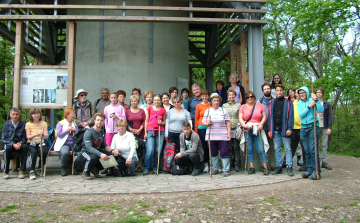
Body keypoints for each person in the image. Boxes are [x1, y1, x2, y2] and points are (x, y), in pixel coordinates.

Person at [74, 113, 115, 180]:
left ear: (104, 122)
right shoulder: (89, 132)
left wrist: (112, 150)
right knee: (94, 157)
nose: (99, 122)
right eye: (98, 120)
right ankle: (86, 171)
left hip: (96, 153)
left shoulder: (101, 132)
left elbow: (104, 145)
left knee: (110, 155)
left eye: (101, 120)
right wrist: (101, 154)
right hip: (85, 153)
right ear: (94, 121)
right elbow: (89, 147)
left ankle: (95, 169)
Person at [239, 91, 269, 175]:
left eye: (251, 97)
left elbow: (264, 116)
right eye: (248, 97)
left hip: (257, 128)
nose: (250, 98)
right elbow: (240, 118)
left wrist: (261, 124)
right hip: (248, 129)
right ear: (246, 99)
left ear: (254, 97)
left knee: (261, 148)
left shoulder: (259, 106)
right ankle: (251, 167)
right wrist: (244, 125)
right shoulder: (243, 107)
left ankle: (265, 167)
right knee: (249, 149)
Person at [297, 86, 324, 180]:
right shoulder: (299, 103)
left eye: (303, 93)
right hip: (304, 128)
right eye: (300, 93)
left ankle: (316, 171)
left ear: (307, 93)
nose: (302, 95)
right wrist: (309, 106)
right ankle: (309, 170)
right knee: (307, 150)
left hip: (313, 127)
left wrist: (316, 100)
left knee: (313, 150)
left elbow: (321, 110)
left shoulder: (312, 100)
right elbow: (301, 114)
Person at [202, 93, 231, 177]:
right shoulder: (208, 111)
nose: (216, 102)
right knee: (213, 152)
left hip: (222, 135)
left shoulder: (223, 110)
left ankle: (225, 169)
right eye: (214, 101)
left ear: (220, 102)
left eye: (217, 101)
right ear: (211, 102)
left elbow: (228, 122)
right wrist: (207, 123)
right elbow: (203, 122)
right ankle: (215, 168)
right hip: (211, 135)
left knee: (224, 152)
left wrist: (228, 133)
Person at [268, 84, 294, 176]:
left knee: (288, 149)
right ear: (275, 91)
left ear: (283, 91)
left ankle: (289, 166)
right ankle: (278, 166)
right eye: (277, 90)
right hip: (275, 129)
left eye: (281, 90)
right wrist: (270, 129)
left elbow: (291, 116)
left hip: (285, 129)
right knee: (277, 148)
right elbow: (270, 117)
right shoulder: (272, 102)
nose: (279, 92)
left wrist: (290, 128)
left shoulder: (288, 102)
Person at [1, 108, 28, 179]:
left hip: (20, 144)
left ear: (19, 115)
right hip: (10, 144)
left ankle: (22, 170)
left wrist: (20, 143)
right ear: (10, 115)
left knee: (25, 147)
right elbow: (4, 139)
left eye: (16, 114)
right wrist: (12, 144)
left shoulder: (23, 124)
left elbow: (25, 137)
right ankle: (6, 171)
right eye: (13, 114)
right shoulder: (6, 124)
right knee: (7, 149)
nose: (15, 116)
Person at [143, 94, 166, 175]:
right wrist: (145, 132)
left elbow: (164, 122)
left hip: (160, 131)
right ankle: (146, 168)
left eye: (158, 100)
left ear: (161, 101)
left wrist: (162, 122)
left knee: (158, 151)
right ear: (153, 100)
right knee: (150, 150)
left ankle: (156, 167)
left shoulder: (163, 110)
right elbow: (146, 121)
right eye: (155, 100)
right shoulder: (149, 109)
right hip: (150, 130)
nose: (156, 101)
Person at [25, 108, 49, 180]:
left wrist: (43, 134)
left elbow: (46, 135)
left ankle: (40, 167)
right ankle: (32, 170)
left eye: (38, 113)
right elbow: (28, 137)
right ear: (31, 115)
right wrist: (36, 134)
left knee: (44, 151)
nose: (36, 115)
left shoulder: (43, 123)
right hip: (31, 143)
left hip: (40, 142)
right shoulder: (28, 124)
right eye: (34, 114)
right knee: (33, 152)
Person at [54, 108, 78, 176]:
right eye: (72, 114)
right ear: (67, 115)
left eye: (74, 114)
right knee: (65, 153)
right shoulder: (60, 123)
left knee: (78, 153)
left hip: (73, 143)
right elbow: (59, 135)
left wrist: (75, 131)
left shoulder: (74, 124)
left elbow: (78, 135)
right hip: (64, 144)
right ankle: (63, 167)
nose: (74, 116)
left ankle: (74, 167)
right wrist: (67, 130)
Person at [257, 83, 275, 170]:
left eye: (268, 88)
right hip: (263, 127)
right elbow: (257, 114)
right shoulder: (259, 102)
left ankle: (273, 165)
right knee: (263, 147)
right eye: (265, 89)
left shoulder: (275, 100)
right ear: (263, 90)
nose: (267, 90)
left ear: (270, 89)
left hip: (273, 127)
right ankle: (264, 166)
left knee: (273, 147)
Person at [222, 89, 241, 172]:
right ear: (228, 96)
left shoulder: (239, 105)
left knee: (236, 147)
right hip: (227, 129)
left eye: (233, 95)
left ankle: (237, 164)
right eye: (230, 95)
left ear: (235, 96)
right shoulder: (224, 106)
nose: (231, 96)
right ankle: (229, 164)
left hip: (236, 128)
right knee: (228, 148)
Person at [126, 95, 146, 172]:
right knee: (132, 148)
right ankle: (132, 164)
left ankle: (139, 165)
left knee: (140, 148)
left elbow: (145, 121)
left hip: (140, 132)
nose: (134, 102)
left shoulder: (142, 111)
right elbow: (126, 122)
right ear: (130, 102)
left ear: (138, 102)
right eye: (132, 101)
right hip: (131, 133)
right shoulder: (127, 111)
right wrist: (131, 129)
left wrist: (140, 129)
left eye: (135, 101)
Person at [194, 90, 211, 172]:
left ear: (208, 96)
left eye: (206, 96)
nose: (205, 97)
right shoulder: (198, 106)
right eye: (203, 96)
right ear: (201, 97)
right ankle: (205, 163)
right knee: (203, 146)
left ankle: (211, 162)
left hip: (210, 127)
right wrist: (196, 130)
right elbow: (196, 118)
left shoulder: (211, 105)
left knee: (210, 146)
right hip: (201, 127)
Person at [316, 86, 333, 170]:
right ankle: (318, 161)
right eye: (317, 92)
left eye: (320, 92)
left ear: (322, 93)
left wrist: (330, 127)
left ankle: (325, 161)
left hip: (325, 125)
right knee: (317, 144)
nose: (318, 94)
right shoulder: (314, 103)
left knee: (324, 144)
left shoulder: (327, 104)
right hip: (317, 125)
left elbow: (330, 115)